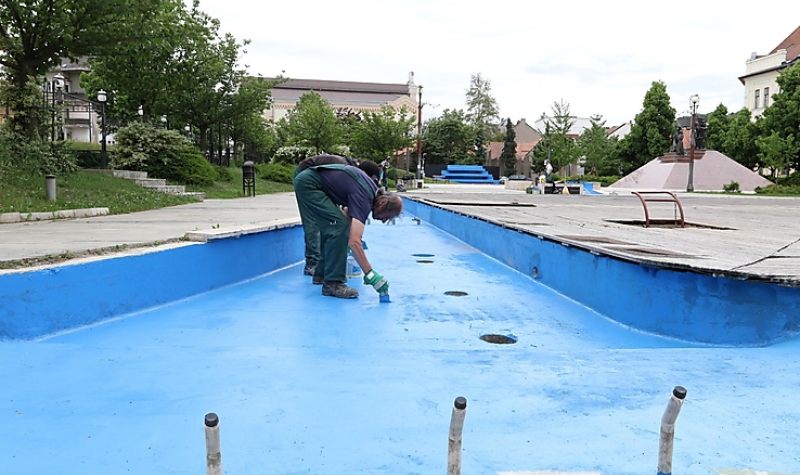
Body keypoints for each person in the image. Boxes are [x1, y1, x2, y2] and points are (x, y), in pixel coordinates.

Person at [293, 163, 403, 298]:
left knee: (337, 226)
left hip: (310, 181)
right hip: (310, 185)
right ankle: (333, 284)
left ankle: (321, 274)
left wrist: (347, 243)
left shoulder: (369, 191)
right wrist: (371, 274)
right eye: (387, 216)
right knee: (338, 226)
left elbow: (347, 215)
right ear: (383, 203)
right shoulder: (365, 197)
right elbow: (354, 241)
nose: (384, 220)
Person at [294, 154, 380, 277]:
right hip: (306, 179)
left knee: (334, 223)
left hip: (320, 184)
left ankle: (322, 270)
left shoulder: (354, 176)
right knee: (313, 222)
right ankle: (312, 264)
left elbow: (347, 210)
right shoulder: (346, 170)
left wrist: (353, 235)